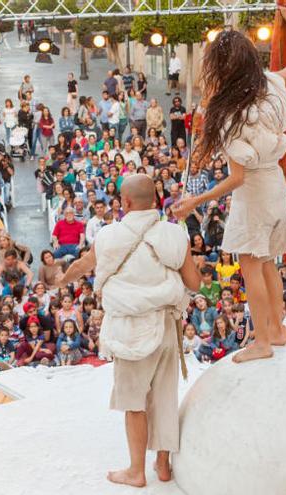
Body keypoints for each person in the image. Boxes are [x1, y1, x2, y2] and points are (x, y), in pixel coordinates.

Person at [174, 5, 286, 363]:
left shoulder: (230, 111)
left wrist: (195, 202)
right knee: (267, 264)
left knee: (251, 267)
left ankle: (263, 342)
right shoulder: (271, 84)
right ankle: (278, 332)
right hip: (275, 189)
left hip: (253, 194)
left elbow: (237, 178)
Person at [60, 174, 200, 488]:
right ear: (156, 198)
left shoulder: (109, 236)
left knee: (135, 402)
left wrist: (60, 280)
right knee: (165, 397)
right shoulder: (175, 234)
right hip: (166, 325)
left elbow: (82, 266)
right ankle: (162, 465)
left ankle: (136, 471)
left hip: (129, 328)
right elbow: (194, 284)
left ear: (124, 202)